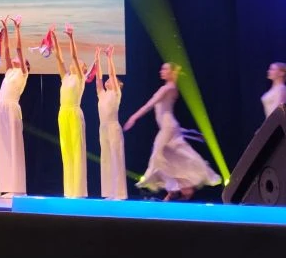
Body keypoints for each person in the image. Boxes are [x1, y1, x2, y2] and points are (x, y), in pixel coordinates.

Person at [124, 62, 221, 200]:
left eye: (165, 69)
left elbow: (150, 105)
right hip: (169, 127)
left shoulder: (168, 88)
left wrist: (134, 117)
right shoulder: (171, 87)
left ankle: (176, 189)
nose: (161, 71)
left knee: (158, 158)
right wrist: (192, 134)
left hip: (168, 128)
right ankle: (178, 190)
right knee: (173, 158)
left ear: (171, 72)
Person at [51, 24, 87, 198]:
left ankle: (78, 191)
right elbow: (59, 58)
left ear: (83, 69)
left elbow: (73, 56)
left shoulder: (80, 78)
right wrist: (54, 37)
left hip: (74, 113)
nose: (75, 63)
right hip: (63, 113)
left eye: (80, 63)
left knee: (76, 150)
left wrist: (71, 37)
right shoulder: (65, 77)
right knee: (66, 151)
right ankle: (69, 191)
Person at [0, 16, 29, 197]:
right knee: (4, 146)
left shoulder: (23, 73)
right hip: (1, 108)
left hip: (12, 109)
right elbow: (7, 50)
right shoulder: (9, 70)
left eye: (21, 59)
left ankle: (17, 188)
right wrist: (5, 28)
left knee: (14, 146)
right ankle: (8, 187)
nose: (16, 58)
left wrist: (16, 28)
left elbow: (17, 49)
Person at [95, 45, 126, 200]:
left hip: (113, 127)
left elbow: (112, 74)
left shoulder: (116, 93)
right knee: (106, 159)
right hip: (103, 128)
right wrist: (97, 58)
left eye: (112, 80)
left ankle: (119, 193)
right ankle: (109, 192)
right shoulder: (102, 94)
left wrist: (109, 58)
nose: (109, 80)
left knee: (115, 158)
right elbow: (98, 79)